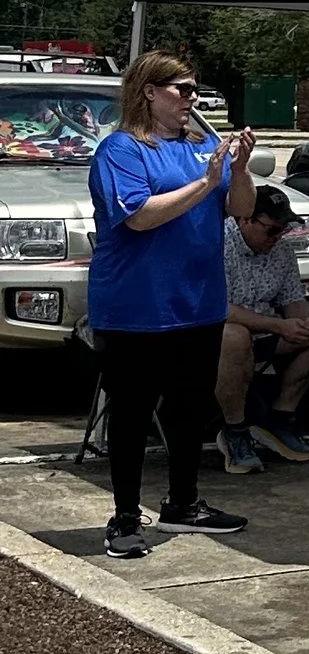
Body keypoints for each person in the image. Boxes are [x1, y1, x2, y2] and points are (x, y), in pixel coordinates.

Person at [87, 53, 258, 560]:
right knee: (134, 412)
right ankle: (123, 515)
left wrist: (239, 169)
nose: (192, 99)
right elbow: (138, 216)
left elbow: (243, 209)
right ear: (149, 92)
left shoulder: (201, 146)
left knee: (189, 409)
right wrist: (206, 183)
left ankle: (183, 503)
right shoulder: (121, 150)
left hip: (197, 303)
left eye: (194, 89)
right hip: (136, 305)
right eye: (182, 89)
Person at [216, 186, 309, 474]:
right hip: (217, 336)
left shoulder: (280, 249)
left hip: (266, 332)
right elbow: (219, 309)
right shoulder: (217, 244)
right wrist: (280, 325)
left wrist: (304, 323)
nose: (277, 238)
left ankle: (281, 419)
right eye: (271, 230)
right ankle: (235, 431)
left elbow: (293, 298)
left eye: (282, 231)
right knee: (234, 336)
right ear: (245, 220)